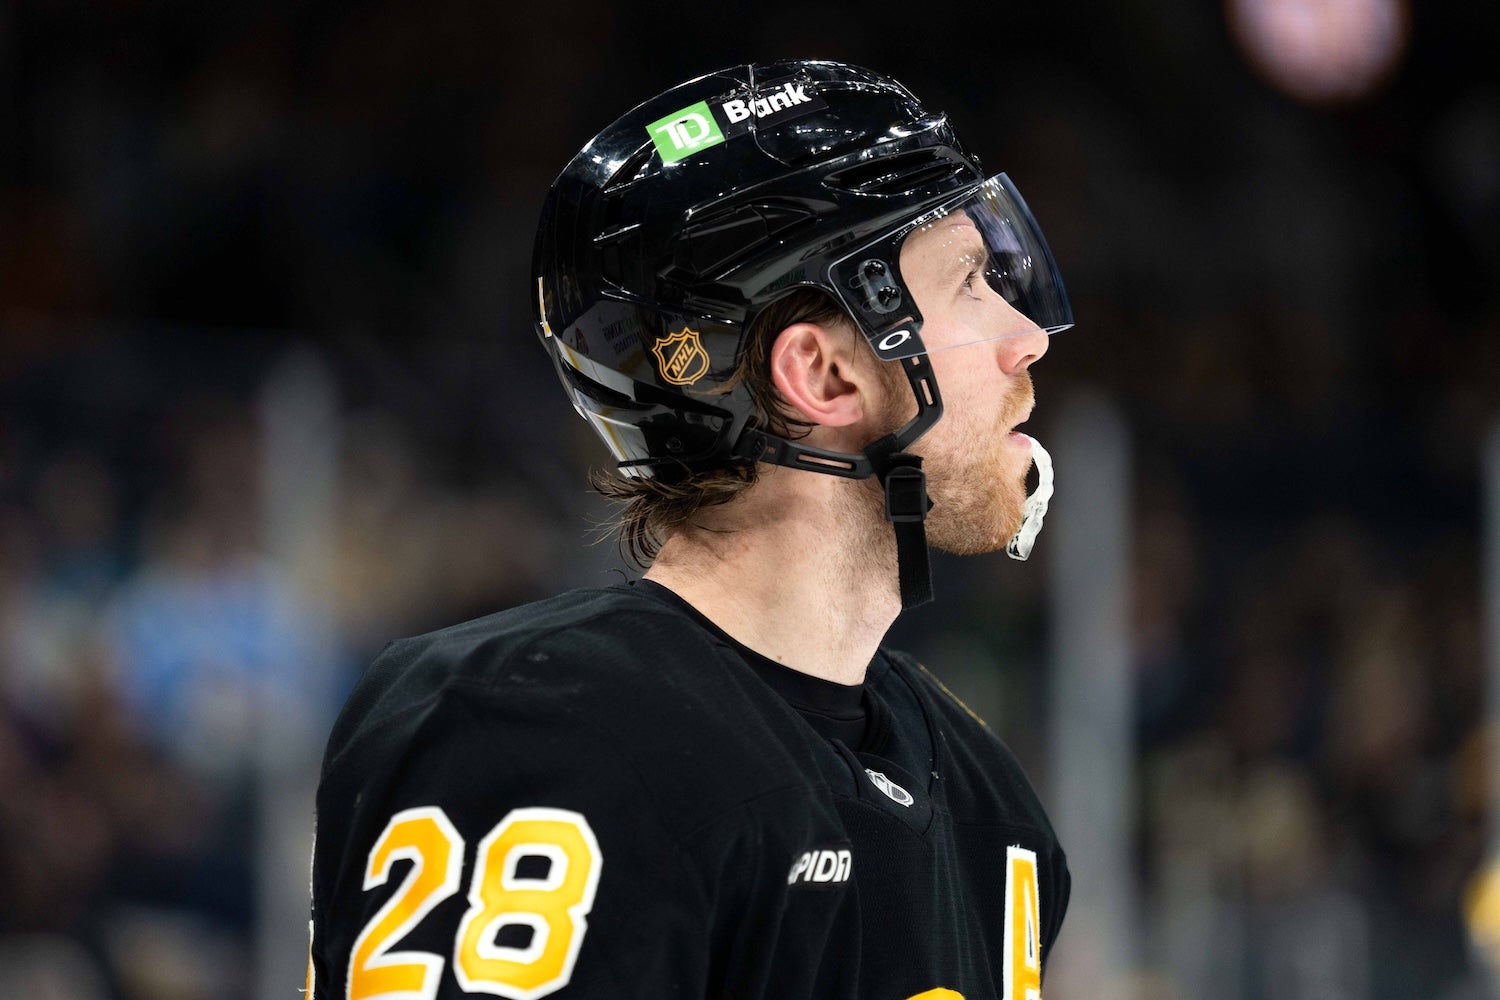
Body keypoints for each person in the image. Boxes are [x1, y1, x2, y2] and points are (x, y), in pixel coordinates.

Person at [308, 59, 1073, 1000]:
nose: (1025, 336)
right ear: (823, 376)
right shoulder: (540, 727)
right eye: (967, 283)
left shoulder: (992, 809)